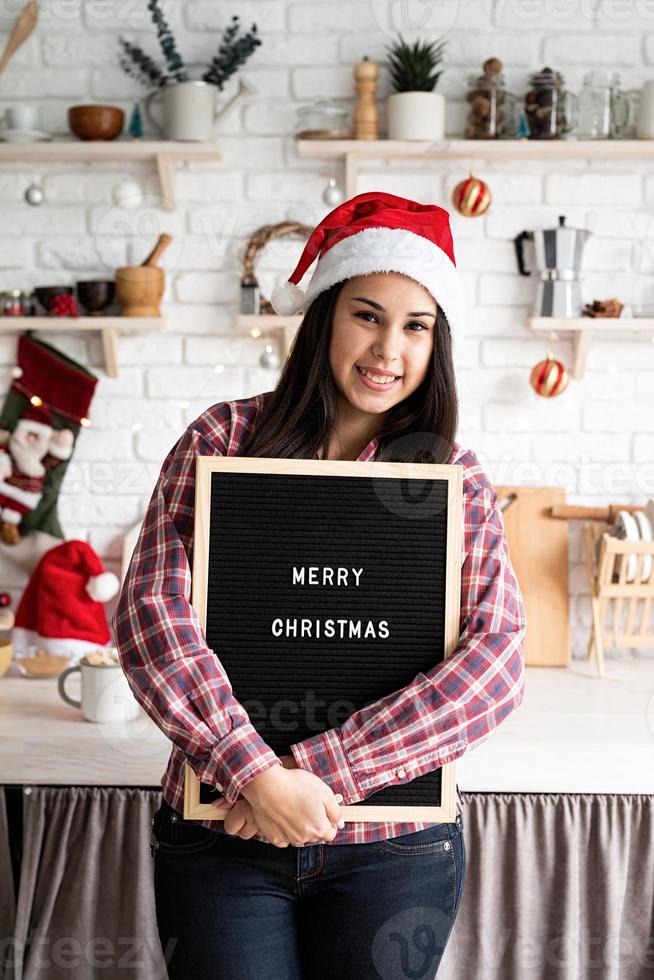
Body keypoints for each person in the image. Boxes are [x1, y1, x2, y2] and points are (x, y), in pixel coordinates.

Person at [112, 191, 527, 980]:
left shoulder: (447, 477)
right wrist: (253, 774)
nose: (388, 349)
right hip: (222, 838)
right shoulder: (223, 439)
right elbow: (149, 616)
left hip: (393, 851)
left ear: (437, 344)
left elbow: (495, 663)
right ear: (325, 317)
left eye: (416, 326)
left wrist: (317, 773)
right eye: (367, 315)